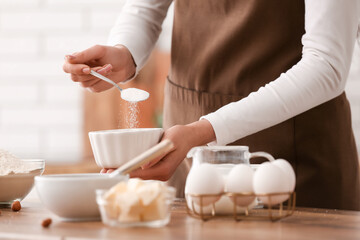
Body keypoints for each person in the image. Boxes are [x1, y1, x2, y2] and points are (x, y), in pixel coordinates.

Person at [63, 0, 360, 210]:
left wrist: (202, 130)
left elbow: (327, 65)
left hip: (294, 152)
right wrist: (124, 54)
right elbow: (146, 8)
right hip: (186, 152)